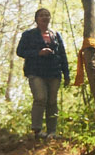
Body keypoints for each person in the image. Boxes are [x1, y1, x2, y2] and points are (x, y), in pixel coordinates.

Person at [15, 8, 70, 139]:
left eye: (47, 15)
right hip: (35, 71)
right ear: (36, 19)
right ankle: (37, 131)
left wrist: (66, 74)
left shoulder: (55, 34)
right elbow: (20, 51)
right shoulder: (28, 34)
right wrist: (38, 53)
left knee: (52, 101)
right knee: (40, 98)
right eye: (41, 15)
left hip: (54, 72)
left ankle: (52, 132)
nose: (44, 17)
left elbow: (62, 54)